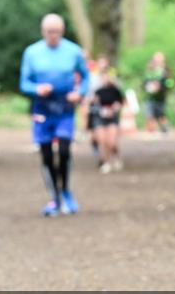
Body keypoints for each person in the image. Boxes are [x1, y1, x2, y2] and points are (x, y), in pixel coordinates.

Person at [19, 14, 89, 217]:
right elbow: (24, 83)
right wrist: (37, 89)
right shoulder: (32, 52)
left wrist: (80, 93)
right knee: (47, 153)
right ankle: (54, 196)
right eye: (49, 32)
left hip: (65, 107)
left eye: (57, 32)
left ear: (62, 31)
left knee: (65, 149)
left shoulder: (73, 51)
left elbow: (85, 77)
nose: (53, 36)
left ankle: (66, 190)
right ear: (43, 31)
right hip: (41, 107)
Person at [89, 56, 125, 173]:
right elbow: (90, 101)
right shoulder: (92, 83)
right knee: (102, 140)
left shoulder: (115, 87)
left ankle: (114, 156)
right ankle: (104, 161)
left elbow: (120, 100)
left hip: (112, 116)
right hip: (98, 115)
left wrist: (114, 109)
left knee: (112, 141)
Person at [143, 52, 172, 134]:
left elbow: (169, 83)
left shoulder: (165, 71)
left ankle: (165, 128)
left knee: (161, 114)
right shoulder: (149, 72)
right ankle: (151, 131)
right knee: (149, 115)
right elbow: (144, 83)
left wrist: (161, 87)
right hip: (150, 97)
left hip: (160, 97)